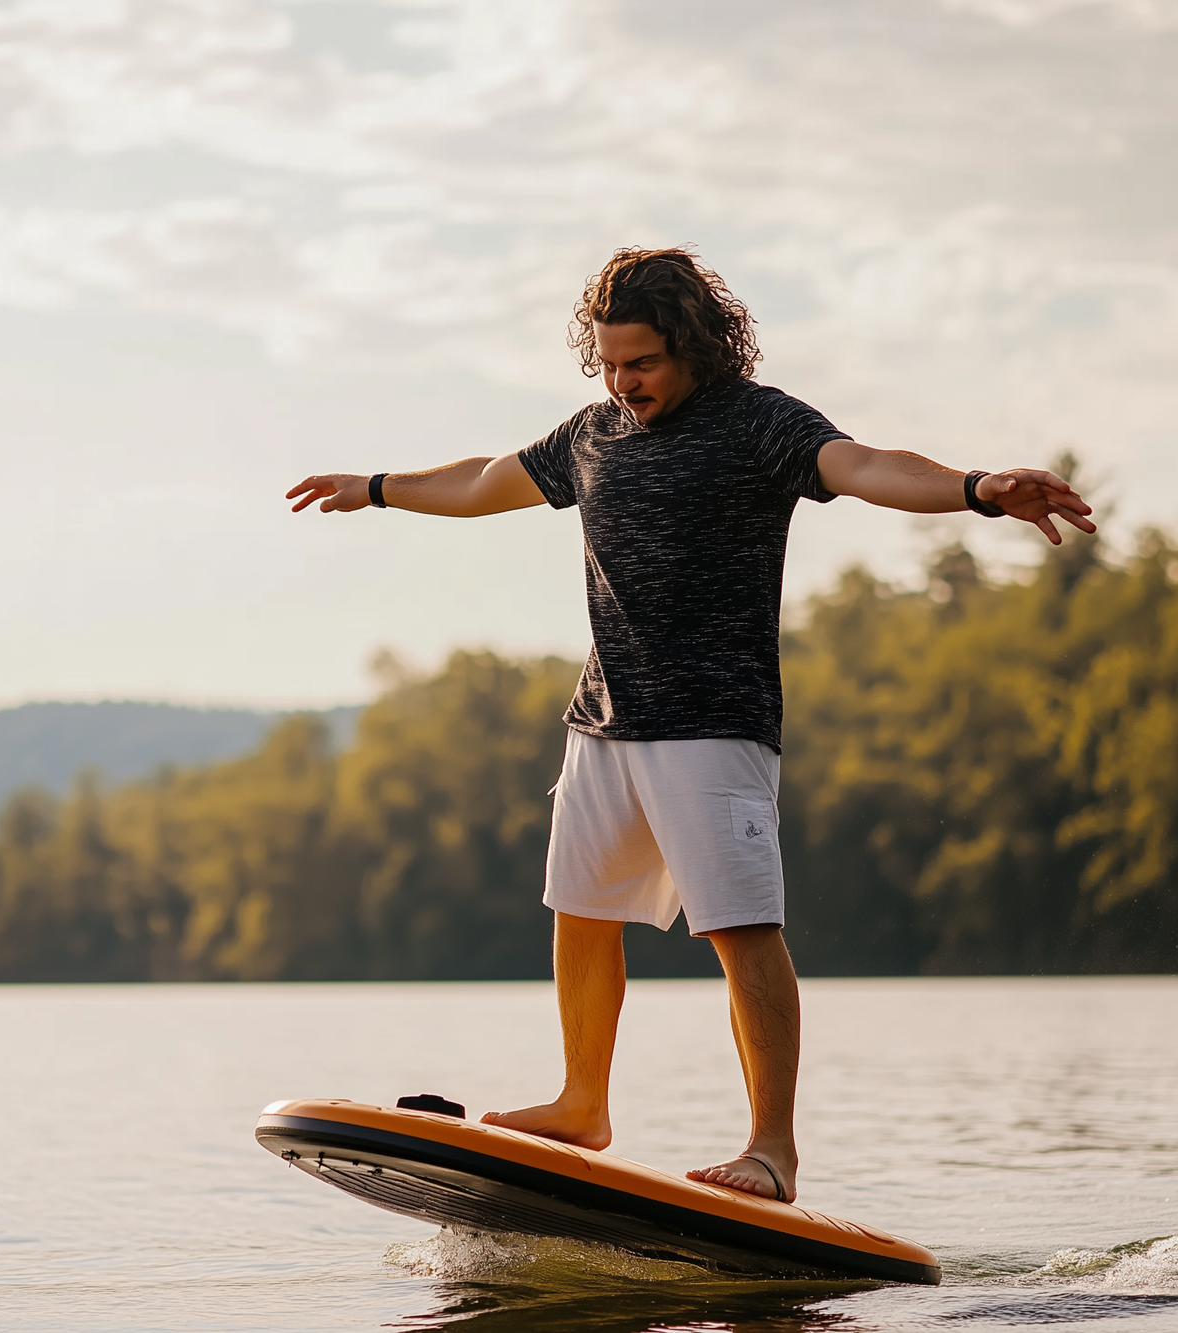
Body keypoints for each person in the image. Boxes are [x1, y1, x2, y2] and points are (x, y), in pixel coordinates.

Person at [285, 247, 1095, 1204]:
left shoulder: (760, 423)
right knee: (581, 912)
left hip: (715, 726)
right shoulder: (591, 435)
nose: (625, 385)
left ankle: (772, 1151)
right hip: (603, 722)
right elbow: (481, 481)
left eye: (645, 365)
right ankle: (582, 1102)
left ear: (697, 344)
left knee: (742, 930)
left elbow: (868, 463)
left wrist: (976, 486)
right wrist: (377, 485)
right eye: (611, 365)